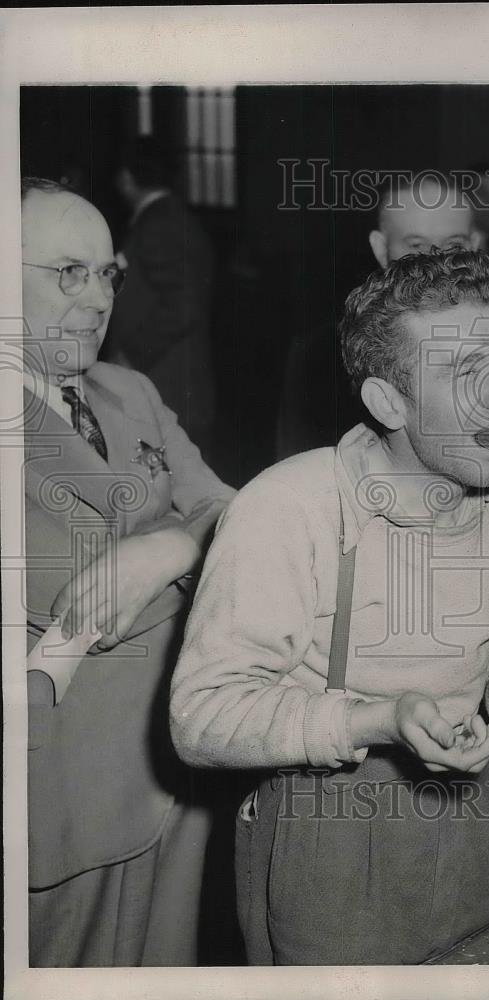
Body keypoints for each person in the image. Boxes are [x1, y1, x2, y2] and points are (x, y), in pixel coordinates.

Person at [170, 248, 489, 965]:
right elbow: (200, 716)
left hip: (469, 827)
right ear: (387, 402)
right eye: (463, 375)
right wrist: (380, 719)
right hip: (327, 833)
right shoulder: (290, 506)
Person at [21, 177, 236, 966]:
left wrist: (168, 548)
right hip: (53, 794)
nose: (99, 297)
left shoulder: (131, 390)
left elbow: (235, 511)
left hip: (173, 774)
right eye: (66, 273)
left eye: (107, 272)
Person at [275, 172, 481, 459]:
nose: (437, 261)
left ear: (475, 244)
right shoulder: (320, 358)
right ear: (380, 248)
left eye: (454, 245)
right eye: (416, 246)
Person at [107, 137, 216, 456]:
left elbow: (184, 304)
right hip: (174, 386)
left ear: (126, 178)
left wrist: (130, 355)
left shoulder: (160, 224)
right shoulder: (170, 218)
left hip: (168, 386)